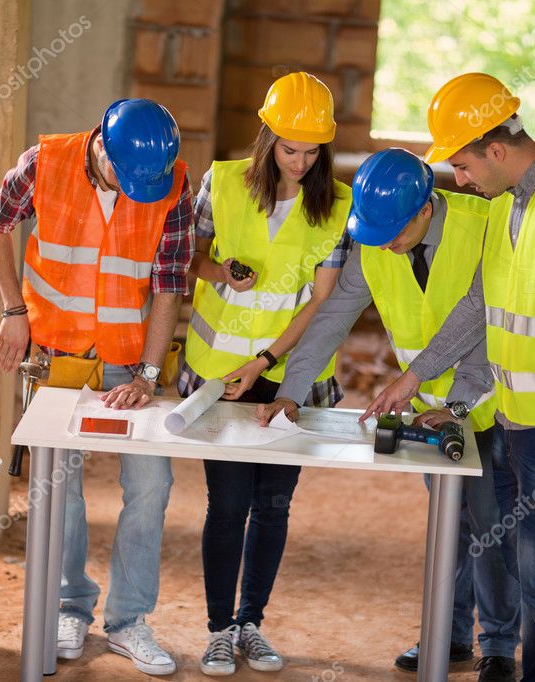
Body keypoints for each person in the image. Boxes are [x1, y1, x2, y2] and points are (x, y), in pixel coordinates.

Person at [360, 73, 535, 682]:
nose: (457, 180)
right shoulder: (509, 205)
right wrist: (414, 377)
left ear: (496, 148)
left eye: (461, 165)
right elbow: (477, 308)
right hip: (524, 423)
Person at [256, 148, 521, 682]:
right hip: (427, 411)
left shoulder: (485, 222)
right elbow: (334, 315)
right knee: (449, 522)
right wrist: (293, 390)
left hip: (491, 402)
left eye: (394, 233)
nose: (385, 245)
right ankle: (447, 637)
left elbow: (488, 319)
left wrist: (444, 392)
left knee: (491, 528)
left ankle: (497, 646)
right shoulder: (373, 237)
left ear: (426, 209)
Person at [0, 98, 194, 676]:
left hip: (129, 359)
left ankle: (129, 621)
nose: (134, 191)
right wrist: (12, 309)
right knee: (58, 490)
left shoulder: (171, 178)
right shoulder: (43, 162)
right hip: (55, 356)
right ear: (102, 147)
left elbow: (170, 281)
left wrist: (150, 372)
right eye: (126, 181)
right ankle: (68, 606)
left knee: (151, 485)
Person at [179, 71, 353, 677]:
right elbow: (189, 258)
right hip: (220, 374)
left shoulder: (339, 206)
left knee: (273, 503)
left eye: (312, 151)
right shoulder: (221, 181)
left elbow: (322, 301)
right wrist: (221, 271)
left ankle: (251, 623)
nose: (301, 162)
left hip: (288, 375)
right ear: (268, 138)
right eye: (289, 148)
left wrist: (268, 361)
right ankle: (218, 630)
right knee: (227, 504)